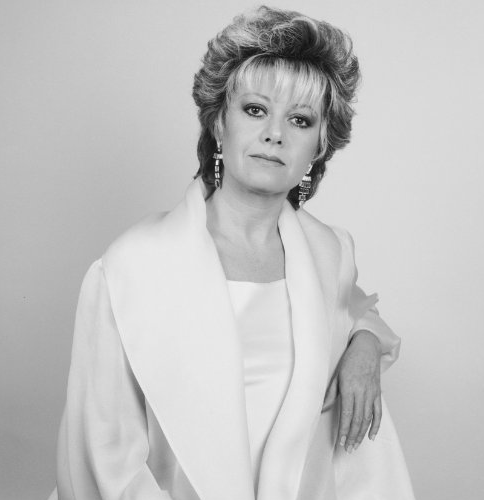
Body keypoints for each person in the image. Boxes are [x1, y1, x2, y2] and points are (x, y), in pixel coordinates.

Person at [49, 6, 414, 500]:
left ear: (319, 147)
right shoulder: (131, 266)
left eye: (300, 120)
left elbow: (355, 310)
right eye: (256, 110)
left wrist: (364, 346)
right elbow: (102, 455)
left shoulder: (329, 250)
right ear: (219, 124)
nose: (275, 134)